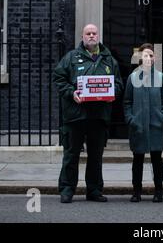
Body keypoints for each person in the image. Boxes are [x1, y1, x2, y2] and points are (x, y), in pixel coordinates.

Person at [53, 24, 123, 203]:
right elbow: (59, 79)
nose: (91, 36)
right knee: (71, 154)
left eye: (94, 33)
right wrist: (71, 92)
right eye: (88, 33)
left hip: (98, 116)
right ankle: (67, 189)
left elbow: (118, 84)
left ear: (98, 36)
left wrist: (111, 93)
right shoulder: (70, 58)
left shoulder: (109, 59)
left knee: (95, 156)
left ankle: (94, 190)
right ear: (83, 36)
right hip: (76, 115)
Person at [123, 43, 163, 203]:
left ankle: (159, 191)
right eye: (145, 55)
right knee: (137, 160)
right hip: (138, 125)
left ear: (155, 58)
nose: (148, 58)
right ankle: (136, 191)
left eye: (151, 55)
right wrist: (131, 119)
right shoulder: (133, 77)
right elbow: (127, 101)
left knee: (157, 160)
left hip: (156, 125)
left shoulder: (161, 77)